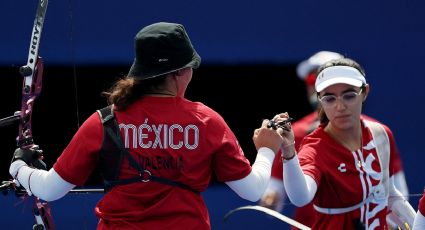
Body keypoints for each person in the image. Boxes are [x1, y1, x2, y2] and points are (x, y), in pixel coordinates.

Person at [8, 22, 285, 229]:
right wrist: (267, 149)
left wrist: (19, 167)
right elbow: (252, 191)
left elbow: (49, 190)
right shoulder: (207, 121)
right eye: (190, 67)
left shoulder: (104, 120)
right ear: (179, 71)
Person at [259, 52, 410, 229]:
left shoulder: (380, 132)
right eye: (329, 96)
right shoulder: (303, 137)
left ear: (364, 92)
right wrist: (288, 153)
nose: (340, 105)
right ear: (319, 95)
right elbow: (295, 196)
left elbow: (393, 192)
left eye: (349, 94)